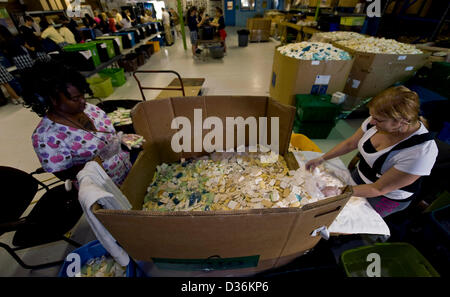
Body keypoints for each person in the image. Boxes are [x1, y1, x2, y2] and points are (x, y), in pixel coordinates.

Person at [305, 86, 438, 218]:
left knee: (355, 218)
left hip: (387, 196)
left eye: (378, 120)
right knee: (337, 207)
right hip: (362, 175)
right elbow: (350, 143)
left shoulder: (420, 153)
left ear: (401, 122)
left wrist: (339, 191)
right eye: (372, 116)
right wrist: (322, 158)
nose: (372, 121)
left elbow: (378, 188)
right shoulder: (376, 121)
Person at [21, 60, 135, 186]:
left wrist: (121, 140)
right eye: (75, 99)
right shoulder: (46, 137)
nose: (83, 101)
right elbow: (65, 174)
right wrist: (100, 158)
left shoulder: (90, 109)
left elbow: (108, 133)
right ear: (52, 100)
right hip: (102, 186)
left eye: (83, 95)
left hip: (126, 171)